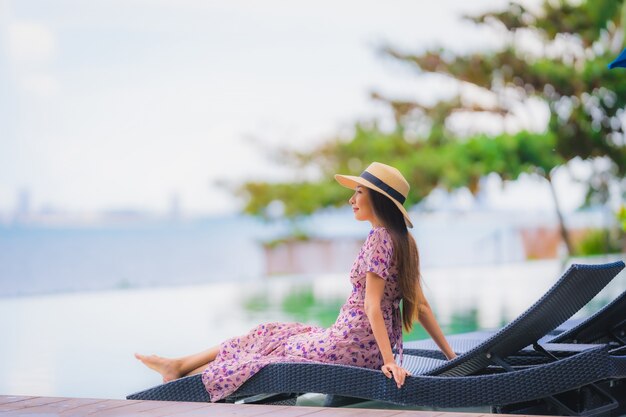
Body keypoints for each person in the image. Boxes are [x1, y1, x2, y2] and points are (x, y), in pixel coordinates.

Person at [135, 161, 456, 402]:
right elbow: (422, 305)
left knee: (269, 341)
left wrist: (389, 363)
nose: (352, 199)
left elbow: (373, 306)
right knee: (277, 332)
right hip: (358, 346)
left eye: (359, 192)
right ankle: (181, 366)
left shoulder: (379, 239)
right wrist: (453, 358)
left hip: (348, 347)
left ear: (377, 198)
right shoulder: (405, 241)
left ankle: (183, 372)